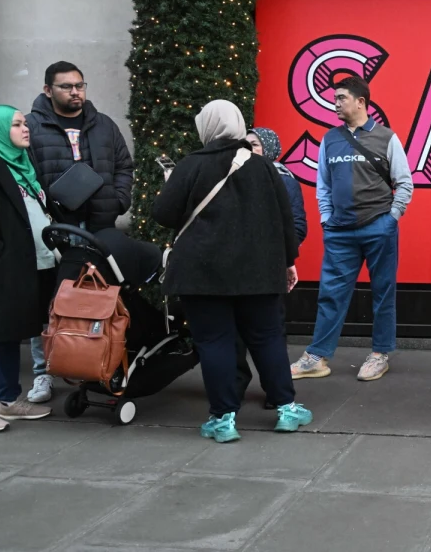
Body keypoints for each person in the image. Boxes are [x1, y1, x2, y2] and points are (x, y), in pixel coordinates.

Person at [153, 100, 311, 442]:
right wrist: (288, 261)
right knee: (268, 338)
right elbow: (284, 219)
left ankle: (223, 419)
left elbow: (164, 215)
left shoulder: (189, 166)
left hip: (202, 274)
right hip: (259, 271)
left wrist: (171, 182)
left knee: (214, 342)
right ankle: (285, 409)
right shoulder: (265, 167)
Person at [290, 76, 414, 382]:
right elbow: (323, 185)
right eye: (335, 98)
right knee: (330, 294)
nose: (335, 103)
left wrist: (390, 220)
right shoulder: (330, 139)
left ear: (361, 101)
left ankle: (379, 355)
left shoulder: (387, 137)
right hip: (339, 232)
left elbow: (405, 183)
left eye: (341, 98)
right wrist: (326, 220)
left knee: (383, 293)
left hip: (379, 228)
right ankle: (316, 357)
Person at [24, 61, 134, 404]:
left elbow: (124, 166)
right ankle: (45, 373)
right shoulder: (31, 127)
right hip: (55, 230)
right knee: (49, 300)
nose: (76, 92)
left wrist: (118, 200)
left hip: (99, 226)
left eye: (80, 85)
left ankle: (95, 362)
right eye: (66, 87)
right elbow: (25, 175)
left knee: (99, 299)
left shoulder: (103, 125)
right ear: (48, 90)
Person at [0, 106, 55, 431]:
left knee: (9, 332)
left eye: (24, 123)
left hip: (29, 263)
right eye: (16, 124)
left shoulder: (21, 163)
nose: (25, 129)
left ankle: (9, 401)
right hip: (1, 265)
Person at [236, 127, 309, 407]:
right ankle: (236, 388)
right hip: (241, 266)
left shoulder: (285, 180)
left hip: (270, 266)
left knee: (269, 332)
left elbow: (298, 226)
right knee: (238, 333)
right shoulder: (238, 173)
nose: (248, 148)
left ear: (268, 148)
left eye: (254, 144)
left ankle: (275, 392)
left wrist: (279, 255)